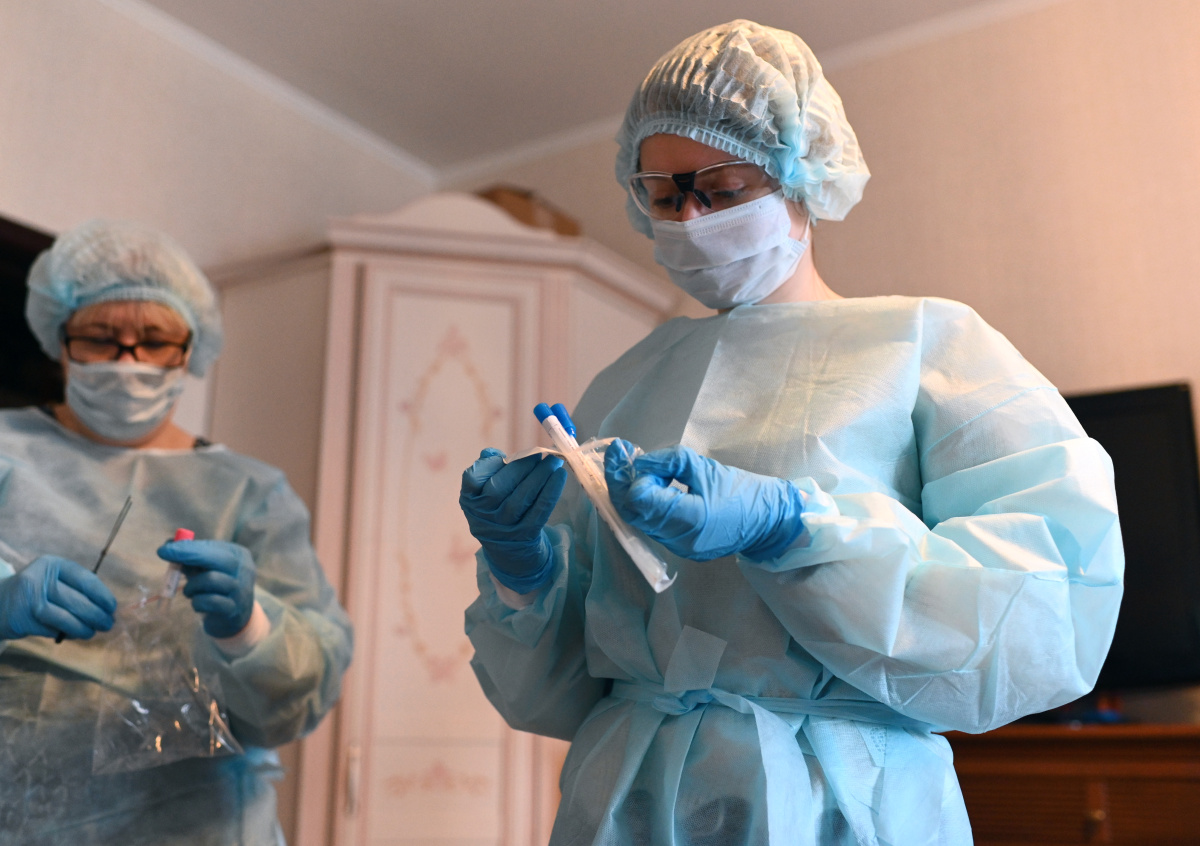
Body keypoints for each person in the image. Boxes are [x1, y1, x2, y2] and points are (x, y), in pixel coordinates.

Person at [460, 19, 1124, 846]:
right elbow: (551, 693)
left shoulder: (929, 347)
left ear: (801, 177)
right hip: (628, 796)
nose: (690, 215)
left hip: (843, 798)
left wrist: (794, 530)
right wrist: (523, 572)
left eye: (721, 187)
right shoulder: (627, 382)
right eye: (663, 195)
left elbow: (1043, 608)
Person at [0, 219, 353, 845]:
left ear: (189, 351)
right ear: (60, 342)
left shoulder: (249, 491)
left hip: (199, 825)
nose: (128, 361)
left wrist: (248, 626)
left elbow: (303, 695)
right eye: (100, 338)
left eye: (155, 340)